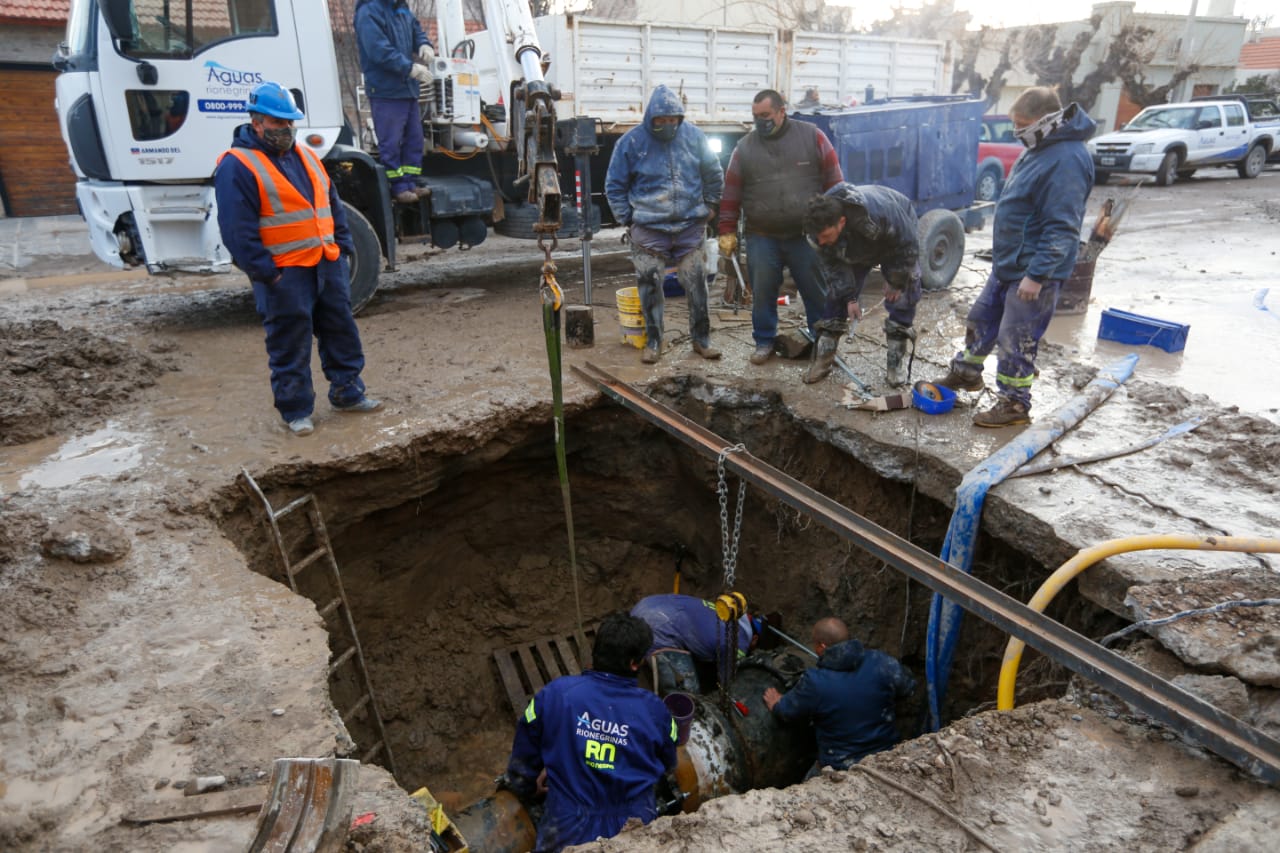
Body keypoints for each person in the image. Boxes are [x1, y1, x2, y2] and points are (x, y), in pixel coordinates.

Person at [214, 82, 382, 437]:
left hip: (325, 262)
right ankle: (296, 410)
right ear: (257, 123)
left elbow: (332, 203)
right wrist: (266, 273)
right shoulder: (237, 165)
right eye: (278, 123)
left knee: (340, 330)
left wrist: (343, 247)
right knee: (289, 340)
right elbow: (236, 231)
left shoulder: (305, 156)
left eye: (290, 122)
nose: (287, 129)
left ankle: (348, 392)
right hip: (285, 272)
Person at [933, 87, 1096, 427]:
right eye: (1015, 124)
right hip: (1009, 263)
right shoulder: (1038, 148)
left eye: (1023, 124)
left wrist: (1036, 276)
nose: (1017, 131)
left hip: (1033, 270)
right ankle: (966, 372)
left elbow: (1063, 227)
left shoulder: (1067, 160)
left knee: (1015, 339)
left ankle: (1014, 404)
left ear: (1047, 120)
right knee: (981, 319)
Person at [503, 612, 678, 852]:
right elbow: (669, 762)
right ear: (634, 663)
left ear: (597, 651)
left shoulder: (555, 694)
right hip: (633, 823)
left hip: (566, 823)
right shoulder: (656, 711)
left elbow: (524, 752)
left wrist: (525, 787)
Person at [718, 90, 843, 366]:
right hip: (762, 235)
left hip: (805, 235)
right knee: (763, 291)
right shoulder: (744, 148)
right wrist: (726, 229)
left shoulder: (812, 137)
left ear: (781, 111)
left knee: (816, 291)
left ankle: (823, 343)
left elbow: (835, 184)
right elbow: (731, 193)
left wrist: (833, 225)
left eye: (765, 115)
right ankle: (764, 342)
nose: (760, 121)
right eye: (755, 116)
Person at [605, 84, 725, 365]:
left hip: (689, 227)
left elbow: (713, 173)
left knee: (697, 283)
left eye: (673, 120)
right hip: (648, 229)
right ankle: (654, 341)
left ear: (680, 119)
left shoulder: (694, 137)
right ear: (651, 118)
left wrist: (710, 206)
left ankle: (702, 340)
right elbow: (614, 186)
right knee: (649, 285)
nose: (668, 125)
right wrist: (627, 218)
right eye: (662, 120)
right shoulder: (630, 143)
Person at [801, 183, 922, 387]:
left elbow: (907, 245)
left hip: (894, 238)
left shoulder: (880, 213)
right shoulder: (817, 234)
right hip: (857, 243)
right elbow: (835, 271)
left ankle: (895, 364)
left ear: (841, 222)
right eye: (818, 237)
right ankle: (824, 359)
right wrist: (850, 298)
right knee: (836, 296)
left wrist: (896, 280)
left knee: (903, 296)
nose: (821, 242)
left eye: (826, 236)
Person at [763, 617, 915, 774]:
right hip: (886, 756)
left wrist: (777, 703)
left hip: (841, 766)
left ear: (822, 647)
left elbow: (787, 712)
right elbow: (908, 688)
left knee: (804, 787)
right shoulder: (881, 661)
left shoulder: (815, 682)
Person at [354, 0, 435, 205]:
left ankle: (410, 182)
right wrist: (410, 68)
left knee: (414, 139)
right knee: (391, 142)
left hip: (406, 88)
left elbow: (415, 30)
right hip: (386, 90)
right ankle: (398, 186)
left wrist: (424, 43)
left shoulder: (400, 8)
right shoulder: (369, 11)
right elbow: (378, 50)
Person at [630, 594, 760, 695]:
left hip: (646, 605)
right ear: (754, 639)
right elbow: (726, 682)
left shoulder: (724, 610)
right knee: (689, 699)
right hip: (658, 628)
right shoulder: (740, 642)